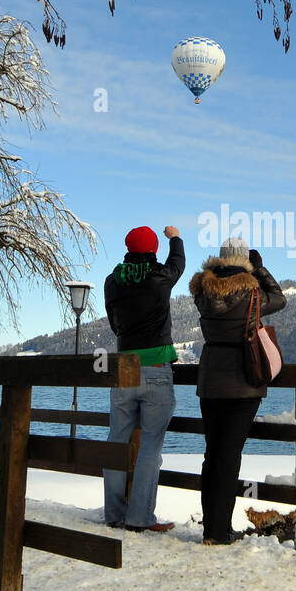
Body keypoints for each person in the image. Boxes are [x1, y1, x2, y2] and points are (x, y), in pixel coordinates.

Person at [189, 236, 287, 545]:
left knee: (212, 454)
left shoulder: (201, 290)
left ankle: (210, 529)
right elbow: (280, 299)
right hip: (244, 380)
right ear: (245, 260)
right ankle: (220, 531)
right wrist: (260, 270)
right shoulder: (253, 293)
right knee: (230, 456)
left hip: (210, 379)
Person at [102, 225, 185, 532]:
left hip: (125, 363)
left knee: (117, 441)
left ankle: (114, 514)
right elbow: (178, 263)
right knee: (150, 444)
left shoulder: (113, 281)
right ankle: (139, 518)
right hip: (155, 365)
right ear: (152, 250)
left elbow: (113, 321)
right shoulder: (160, 277)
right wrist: (175, 237)